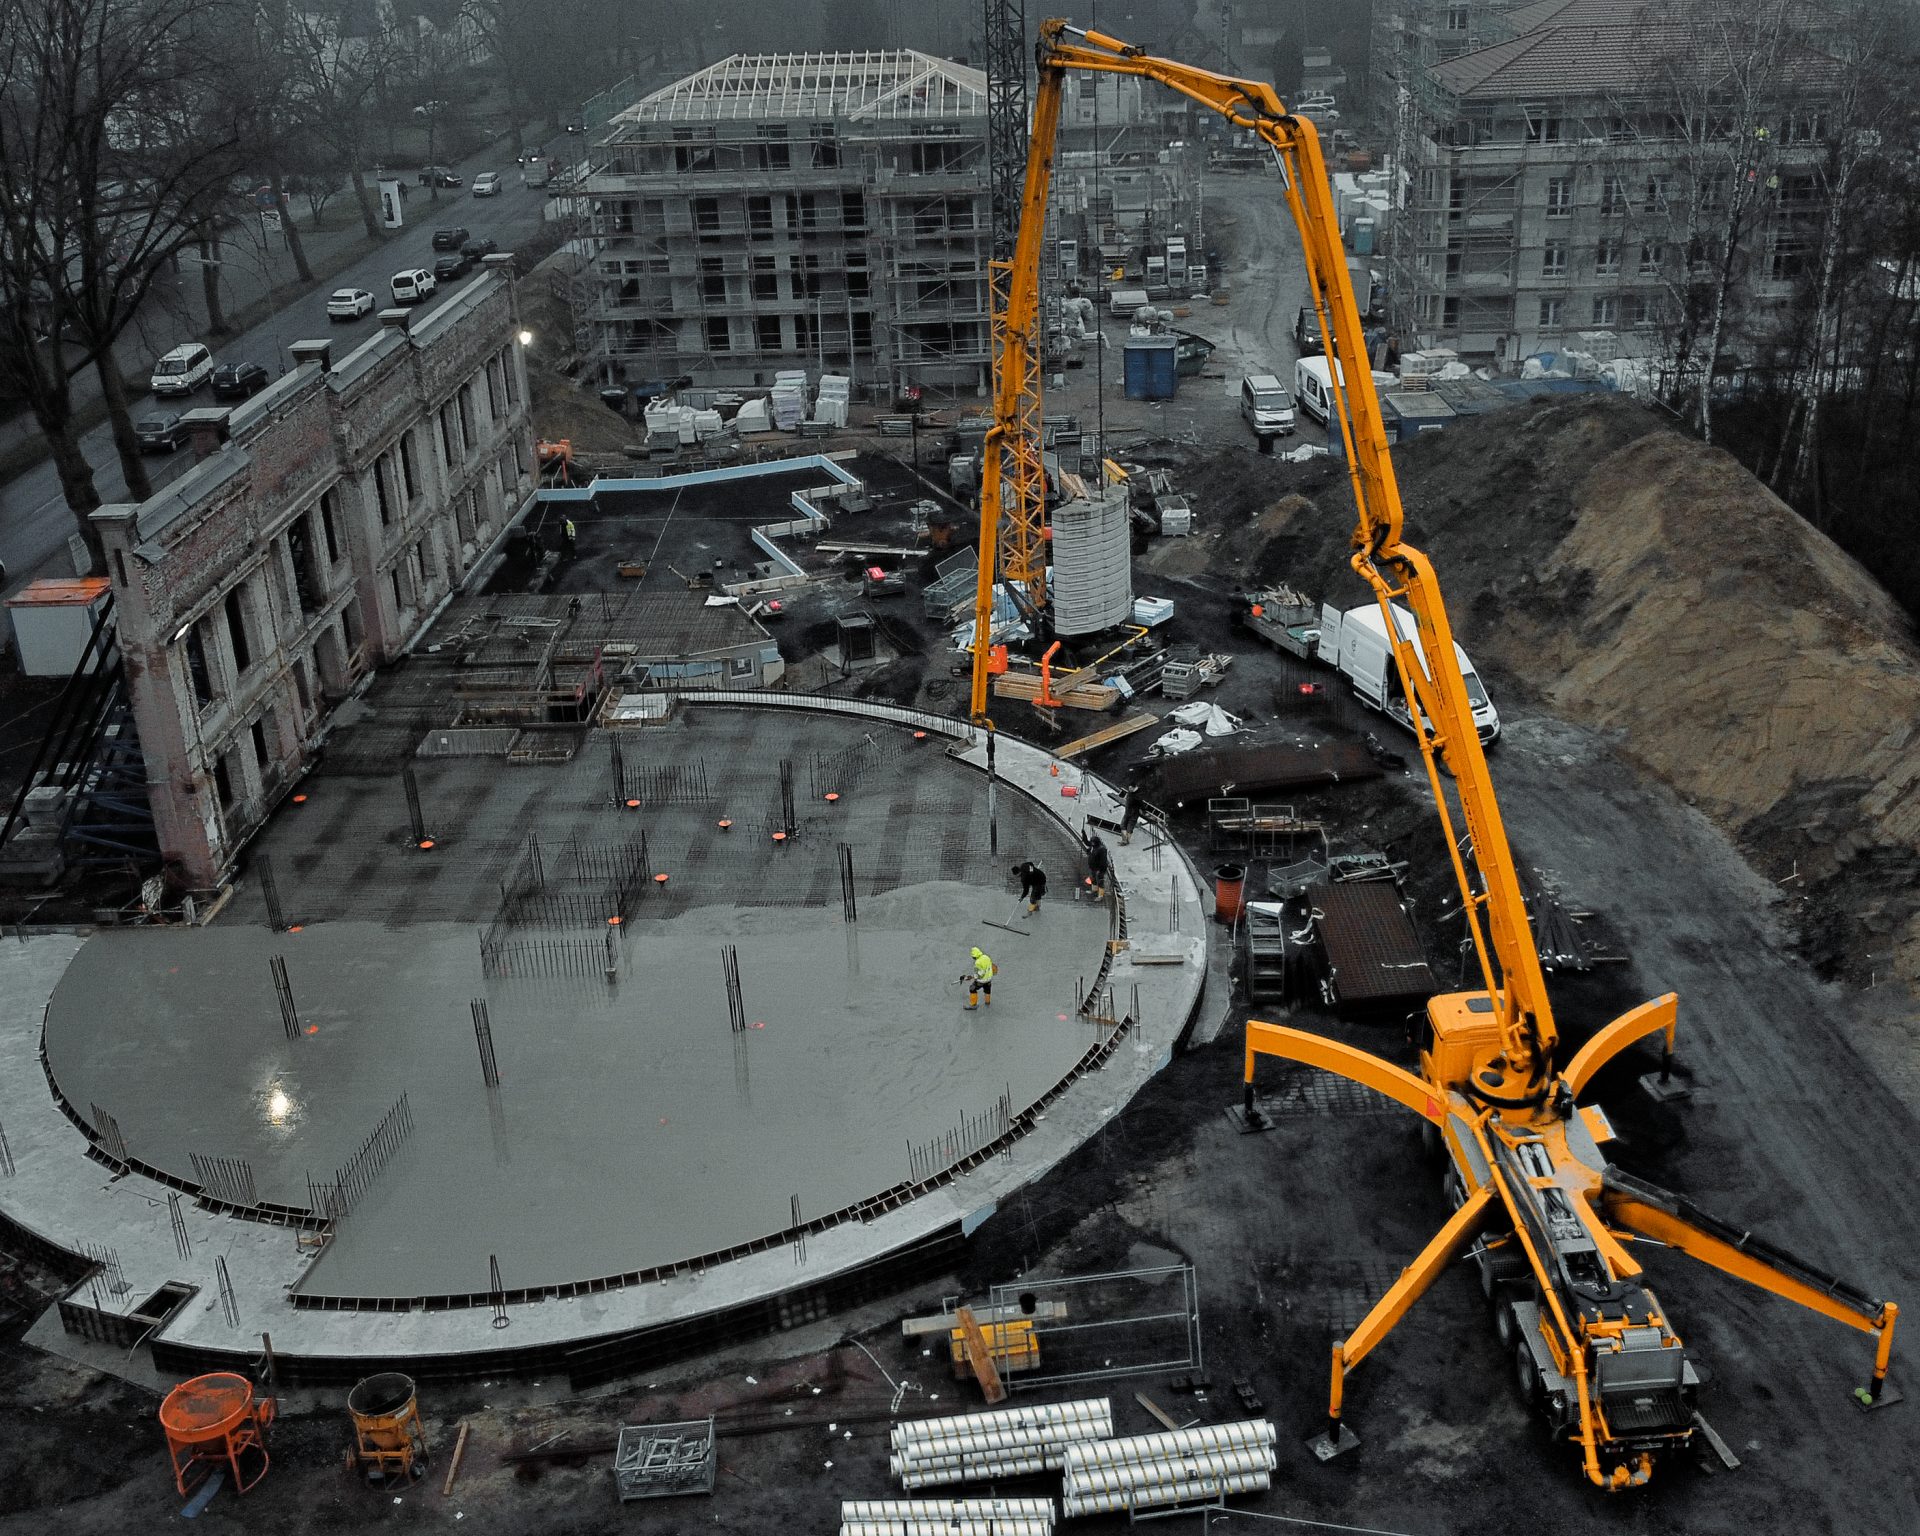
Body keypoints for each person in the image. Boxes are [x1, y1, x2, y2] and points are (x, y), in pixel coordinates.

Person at [1084, 831, 1111, 901]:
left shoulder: (1102, 849)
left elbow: (1103, 861)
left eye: (1093, 842)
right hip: (1093, 867)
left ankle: (1100, 896)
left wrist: (1101, 870)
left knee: (1100, 881)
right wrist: (1084, 834)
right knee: (1093, 879)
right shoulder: (1093, 846)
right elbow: (1087, 843)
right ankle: (1094, 890)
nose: (1091, 844)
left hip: (1099, 869)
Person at [1118, 780, 1146, 845]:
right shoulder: (1130, 792)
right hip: (1127, 812)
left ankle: (1126, 841)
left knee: (1129, 828)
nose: (1129, 789)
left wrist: (1144, 811)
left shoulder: (1138, 795)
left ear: (1134, 787)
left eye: (1130, 788)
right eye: (1129, 788)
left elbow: (1141, 804)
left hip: (1133, 814)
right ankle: (1124, 840)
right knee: (1122, 825)